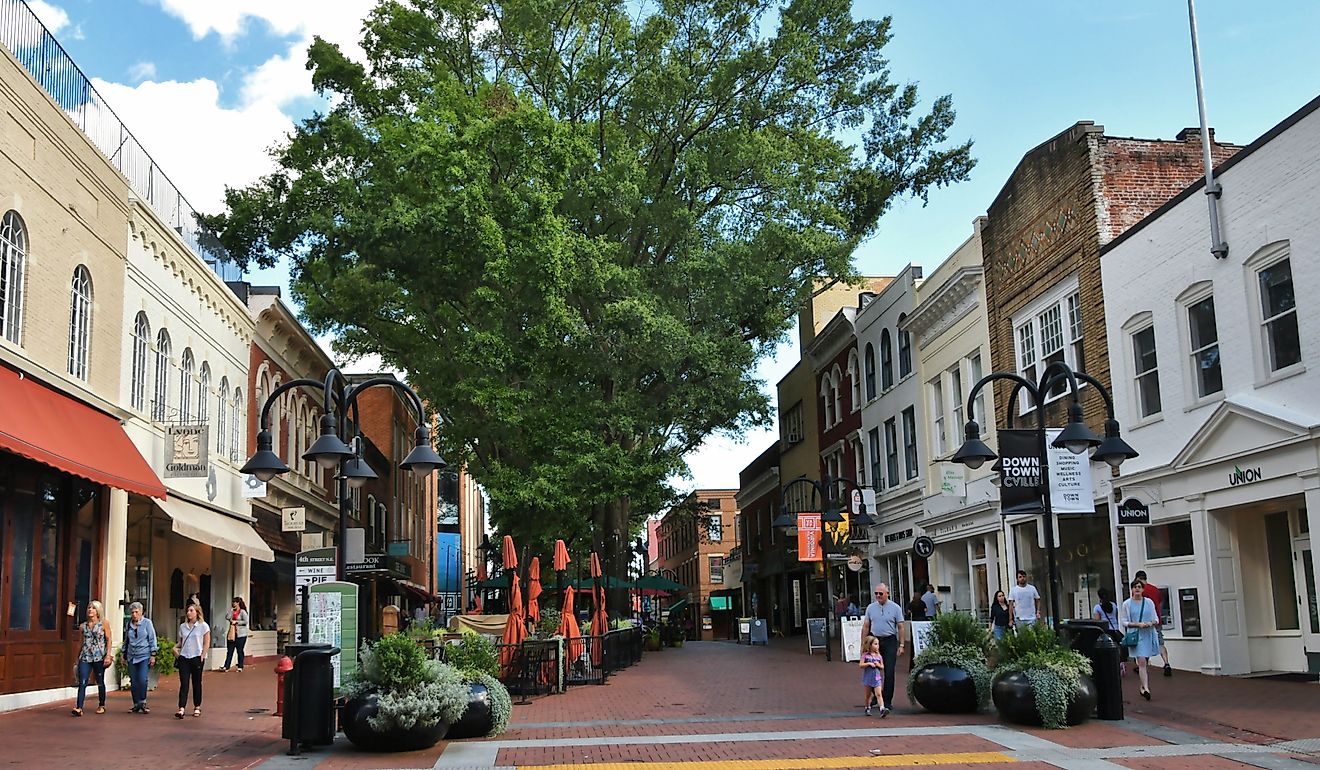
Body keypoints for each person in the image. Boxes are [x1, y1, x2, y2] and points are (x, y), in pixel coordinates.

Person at [860, 583, 905, 713]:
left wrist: (901, 645)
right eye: (876, 594)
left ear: (887, 594)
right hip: (875, 640)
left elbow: (901, 627)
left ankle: (887, 700)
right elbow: (866, 626)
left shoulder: (895, 608)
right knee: (872, 671)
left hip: (890, 640)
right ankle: (876, 696)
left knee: (889, 671)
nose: (878, 596)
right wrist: (864, 643)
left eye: (881, 593)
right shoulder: (870, 608)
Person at [1120, 579, 1159, 701]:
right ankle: (1146, 688)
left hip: (1148, 634)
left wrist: (1150, 623)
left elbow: (1156, 618)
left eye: (1139, 587)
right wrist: (1137, 624)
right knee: (1141, 660)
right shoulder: (1127, 604)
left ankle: (1142, 686)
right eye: (1135, 587)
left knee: (1145, 661)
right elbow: (1124, 621)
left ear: (1143, 589)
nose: (1137, 589)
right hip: (1136, 635)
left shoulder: (1149, 602)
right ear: (1131, 589)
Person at [72, 601, 113, 716]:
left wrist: (108, 655)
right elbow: (80, 643)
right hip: (86, 656)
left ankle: (102, 704)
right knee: (82, 681)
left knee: (100, 681)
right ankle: (79, 707)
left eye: (93, 608)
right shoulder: (83, 626)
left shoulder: (104, 623)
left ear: (98, 611)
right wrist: (77, 659)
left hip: (99, 656)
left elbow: (109, 639)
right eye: (89, 608)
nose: (90, 610)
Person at [175, 603, 211, 719]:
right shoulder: (183, 626)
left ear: (197, 612)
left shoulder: (203, 626)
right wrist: (175, 648)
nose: (189, 613)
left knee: (196, 682)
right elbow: (181, 642)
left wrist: (203, 655)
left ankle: (197, 706)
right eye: (188, 611)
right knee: (184, 683)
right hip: (185, 657)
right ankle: (181, 708)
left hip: (196, 656)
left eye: (191, 610)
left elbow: (206, 642)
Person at [1134, 570, 1172, 676]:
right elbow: (1160, 602)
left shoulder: (1139, 590)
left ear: (1138, 579)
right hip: (1156, 620)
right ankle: (1166, 663)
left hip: (1145, 621)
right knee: (1160, 642)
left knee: (1144, 643)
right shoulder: (1155, 589)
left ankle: (1142, 665)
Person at [123, 601, 158, 714]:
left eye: (136, 612)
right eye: (132, 612)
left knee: (142, 679)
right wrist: (123, 654)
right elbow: (126, 640)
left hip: (144, 655)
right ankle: (136, 703)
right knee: (134, 681)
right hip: (131, 655)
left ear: (141, 612)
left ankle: (142, 701)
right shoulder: (129, 624)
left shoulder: (147, 623)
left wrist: (153, 654)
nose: (134, 614)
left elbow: (152, 638)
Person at [1093, 586, 1127, 676]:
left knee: (1107, 650)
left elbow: (1097, 621)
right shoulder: (1114, 605)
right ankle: (1121, 663)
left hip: (1106, 631)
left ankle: (1111, 666)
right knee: (1118, 647)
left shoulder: (1097, 608)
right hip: (1115, 630)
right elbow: (1115, 617)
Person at [858, 635, 889, 717]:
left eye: (878, 644)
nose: (877, 646)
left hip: (877, 678)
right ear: (870, 645)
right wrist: (868, 663)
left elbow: (882, 667)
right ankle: (867, 707)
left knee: (879, 694)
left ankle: (882, 708)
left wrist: (878, 664)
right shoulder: (865, 655)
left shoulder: (879, 656)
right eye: (875, 644)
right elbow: (861, 665)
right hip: (868, 677)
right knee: (867, 695)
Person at [220, 596, 249, 672]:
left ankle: (240, 666)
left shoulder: (242, 612)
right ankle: (226, 666)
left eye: (235, 602)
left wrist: (237, 622)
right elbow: (227, 617)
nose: (233, 604)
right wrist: (231, 611)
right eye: (232, 602)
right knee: (230, 650)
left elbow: (246, 621)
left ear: (238, 603)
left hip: (241, 634)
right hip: (232, 633)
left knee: (239, 650)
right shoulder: (232, 611)